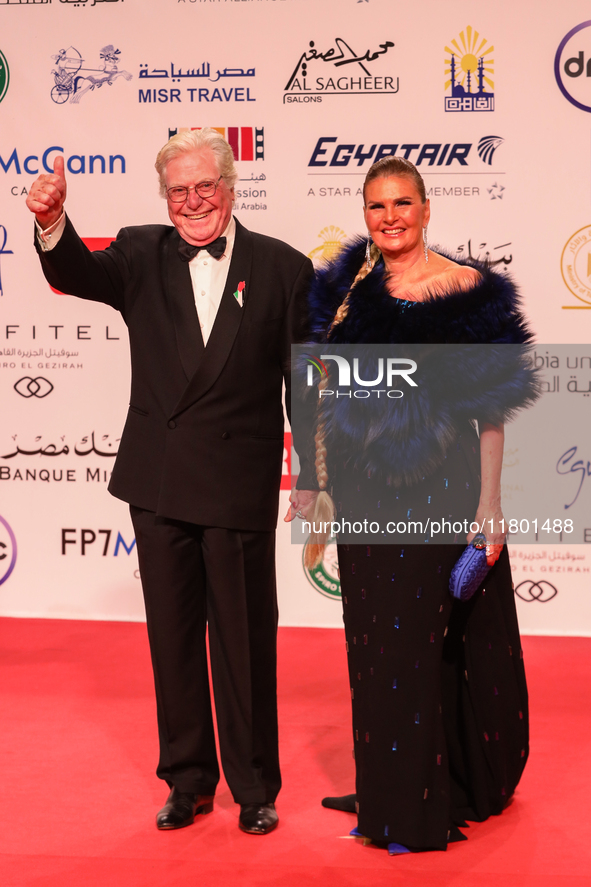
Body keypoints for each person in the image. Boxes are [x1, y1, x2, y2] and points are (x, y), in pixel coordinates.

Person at [26, 128, 313, 836]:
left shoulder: (282, 267)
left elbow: (301, 380)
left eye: (203, 186)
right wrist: (50, 222)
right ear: (165, 196)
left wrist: (311, 467)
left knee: (245, 640)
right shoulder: (139, 252)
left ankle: (254, 785)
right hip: (157, 483)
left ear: (229, 185)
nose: (191, 201)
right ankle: (187, 778)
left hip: (238, 480)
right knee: (172, 636)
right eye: (178, 189)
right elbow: (73, 271)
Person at [286, 156, 537, 853]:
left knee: (432, 640)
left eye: (402, 203)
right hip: (367, 490)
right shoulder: (343, 286)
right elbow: (318, 388)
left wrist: (489, 502)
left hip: (443, 486)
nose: (389, 217)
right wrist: (317, 479)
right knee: (375, 640)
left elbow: (491, 411)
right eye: (375, 206)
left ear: (426, 209)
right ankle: (389, 784)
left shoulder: (465, 288)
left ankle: (426, 797)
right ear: (363, 215)